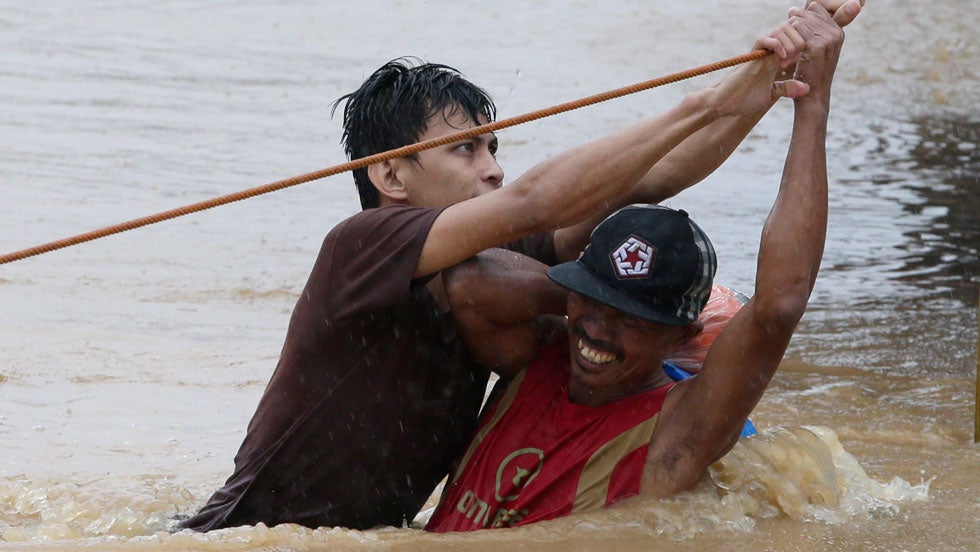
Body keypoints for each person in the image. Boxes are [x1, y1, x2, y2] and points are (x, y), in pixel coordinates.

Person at [177, 1, 853, 532]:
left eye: (494, 146)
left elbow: (656, 178)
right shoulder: (362, 244)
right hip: (242, 533)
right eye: (467, 151)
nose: (494, 168)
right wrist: (710, 100)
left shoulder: (488, 258)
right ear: (389, 174)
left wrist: (778, 82)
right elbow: (536, 200)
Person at [426, 1, 858, 532]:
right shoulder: (539, 355)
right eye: (595, 300)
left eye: (632, 318)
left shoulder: (677, 433)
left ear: (683, 336)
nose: (598, 331)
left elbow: (778, 307)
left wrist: (811, 107)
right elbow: (468, 280)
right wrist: (575, 303)